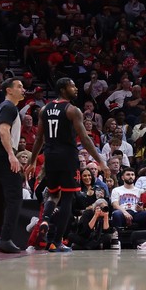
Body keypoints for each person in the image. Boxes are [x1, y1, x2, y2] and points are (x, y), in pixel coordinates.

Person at [27, 77, 108, 252]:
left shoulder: (44, 110)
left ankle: (46, 220)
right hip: (68, 156)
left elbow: (39, 138)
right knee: (67, 200)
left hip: (50, 156)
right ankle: (56, 242)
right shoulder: (72, 110)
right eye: (72, 86)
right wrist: (101, 160)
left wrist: (33, 161)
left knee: (54, 195)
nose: (76, 88)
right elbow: (85, 139)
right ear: (63, 89)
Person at [0, 77, 27, 253]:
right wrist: (11, 155)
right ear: (9, 90)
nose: (23, 89)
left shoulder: (1, 108)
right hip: (3, 153)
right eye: (19, 86)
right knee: (15, 196)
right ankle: (5, 238)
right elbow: (4, 130)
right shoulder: (9, 107)